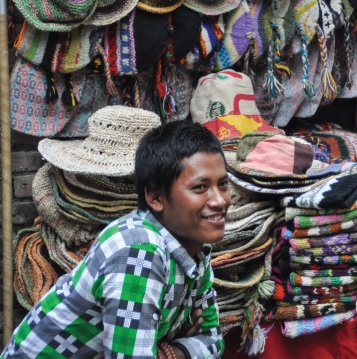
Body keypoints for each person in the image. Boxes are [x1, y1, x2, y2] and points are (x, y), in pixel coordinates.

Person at [1, 120, 231, 359]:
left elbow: (213, 340)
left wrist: (168, 353)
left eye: (223, 185)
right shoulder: (140, 252)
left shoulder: (194, 250)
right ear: (155, 197)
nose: (220, 200)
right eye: (200, 187)